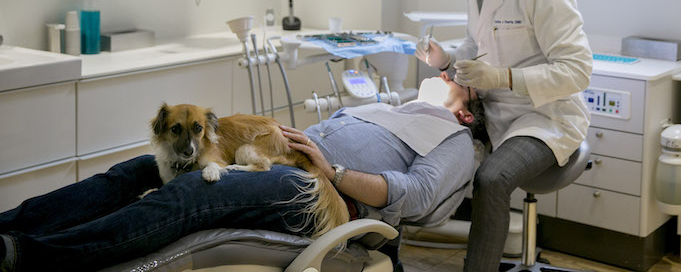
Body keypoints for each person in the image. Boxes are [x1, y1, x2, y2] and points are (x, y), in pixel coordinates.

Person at [0, 91, 478, 272]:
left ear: (467, 110)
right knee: (132, 171)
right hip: (277, 160)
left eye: (459, 78)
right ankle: (10, 226)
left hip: (314, 189)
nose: (447, 74)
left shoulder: (455, 140)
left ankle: (25, 256)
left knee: (190, 194)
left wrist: (331, 171)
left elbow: (414, 197)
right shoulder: (385, 108)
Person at [416, 0, 593, 271]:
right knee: (419, 143)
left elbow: (577, 72)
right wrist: (446, 60)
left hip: (545, 118)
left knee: (492, 179)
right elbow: (475, 47)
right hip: (498, 114)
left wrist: (504, 78)